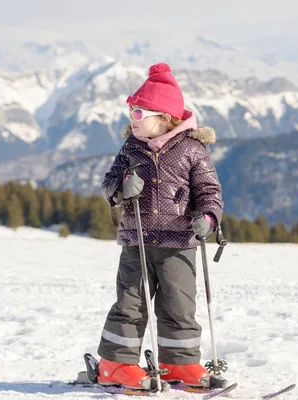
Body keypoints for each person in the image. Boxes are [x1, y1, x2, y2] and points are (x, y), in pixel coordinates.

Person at [97, 62, 224, 390]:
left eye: (139, 114)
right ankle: (115, 364)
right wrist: (122, 186)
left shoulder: (192, 151)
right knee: (130, 303)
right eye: (130, 112)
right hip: (137, 240)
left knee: (179, 305)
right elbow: (109, 184)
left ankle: (178, 363)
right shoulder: (131, 149)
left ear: (165, 117)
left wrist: (208, 218)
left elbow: (209, 191)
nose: (132, 120)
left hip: (179, 241)